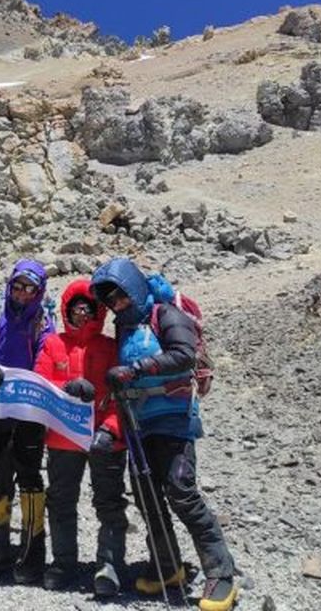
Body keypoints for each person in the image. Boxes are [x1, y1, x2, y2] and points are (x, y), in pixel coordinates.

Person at [92, 258, 238, 611]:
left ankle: (221, 573)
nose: (117, 303)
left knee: (181, 491)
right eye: (110, 299)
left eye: (121, 295)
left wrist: (137, 369)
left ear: (134, 288)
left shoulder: (165, 315)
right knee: (147, 497)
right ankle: (167, 566)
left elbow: (184, 356)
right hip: (139, 423)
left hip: (173, 419)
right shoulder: (124, 327)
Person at [33, 279, 128, 596]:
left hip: (104, 436)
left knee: (110, 503)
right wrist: (67, 389)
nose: (83, 312)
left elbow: (123, 396)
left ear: (99, 311)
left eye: (89, 306)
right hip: (64, 436)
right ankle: (63, 563)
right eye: (77, 307)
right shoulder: (52, 345)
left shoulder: (110, 347)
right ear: (67, 311)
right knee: (60, 502)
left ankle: (109, 565)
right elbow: (41, 387)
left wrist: (112, 428)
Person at [0, 259, 55, 584]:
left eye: (29, 288)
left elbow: (48, 357)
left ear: (38, 291)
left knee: (30, 474)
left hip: (29, 409)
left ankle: (32, 553)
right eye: (17, 286)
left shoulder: (44, 321)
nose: (21, 293)